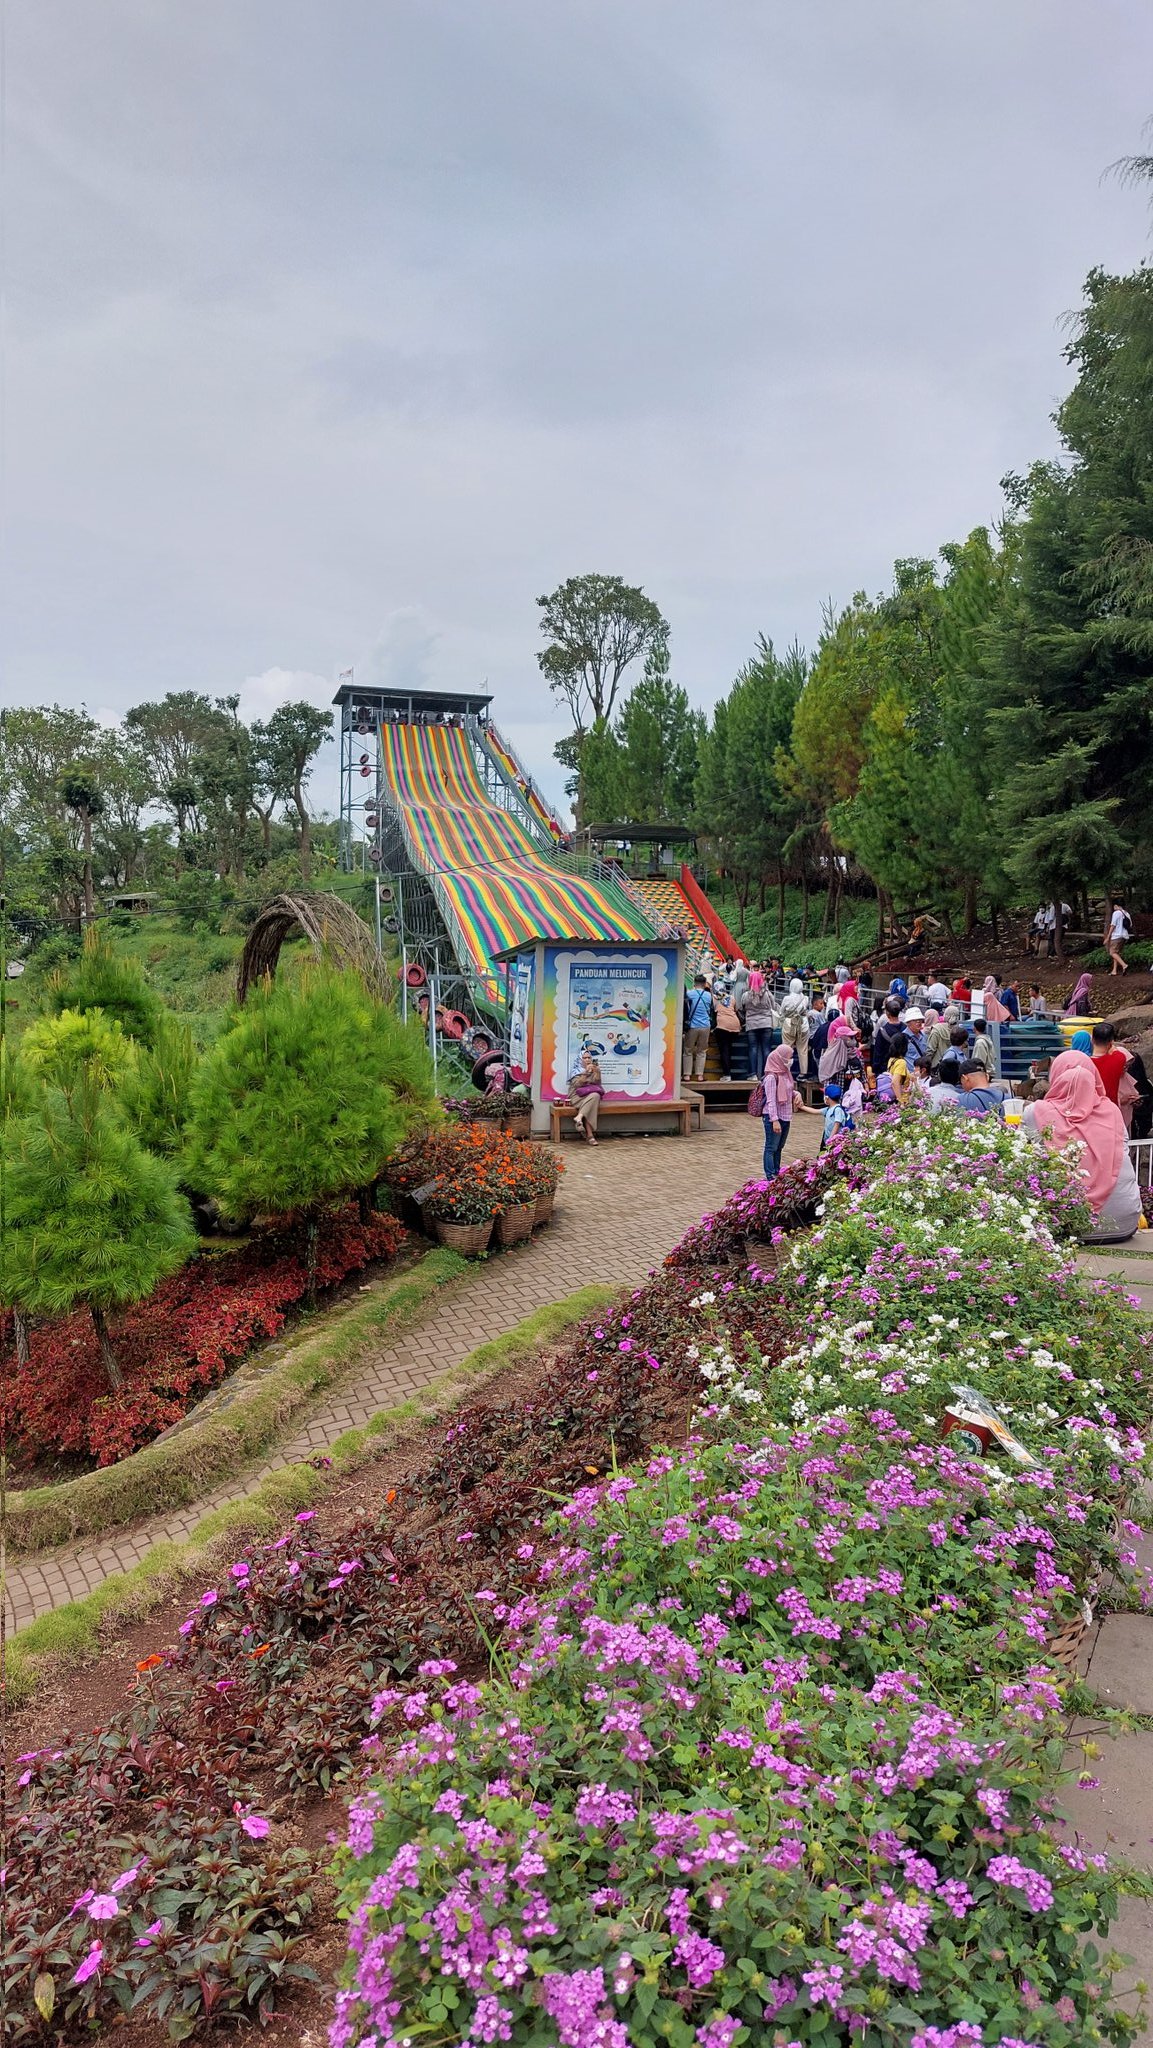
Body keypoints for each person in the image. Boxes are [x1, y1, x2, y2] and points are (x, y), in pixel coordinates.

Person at [1023, 1050, 1141, 1242]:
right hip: (1124, 1223)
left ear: (1056, 1077)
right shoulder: (1112, 1111)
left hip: (1066, 1225)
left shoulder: (1035, 1112)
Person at [759, 1043, 810, 1178]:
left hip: (786, 1115)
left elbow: (788, 1090)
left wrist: (796, 1094)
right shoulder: (771, 1077)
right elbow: (771, 1100)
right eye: (788, 1057)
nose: (790, 1060)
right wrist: (774, 1120)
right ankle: (770, 1176)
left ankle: (776, 1171)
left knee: (779, 1147)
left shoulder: (785, 1073)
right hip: (773, 1117)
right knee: (771, 1147)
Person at [742, 969, 777, 1079]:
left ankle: (752, 1074)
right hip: (766, 1024)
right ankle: (767, 1074)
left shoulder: (746, 995)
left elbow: (742, 1008)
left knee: (753, 1049)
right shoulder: (767, 994)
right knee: (766, 1049)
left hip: (751, 1025)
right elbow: (774, 1007)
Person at [568, 1049, 604, 1145]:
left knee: (595, 1095)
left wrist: (597, 1073)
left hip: (590, 1096)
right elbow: (577, 1085)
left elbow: (598, 1084)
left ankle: (579, 1118)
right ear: (580, 1059)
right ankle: (590, 1135)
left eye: (589, 1058)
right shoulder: (575, 1071)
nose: (587, 1060)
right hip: (577, 1096)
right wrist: (586, 1073)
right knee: (592, 1102)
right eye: (584, 1058)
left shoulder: (594, 1069)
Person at [683, 975, 715, 1082]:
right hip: (705, 1025)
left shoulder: (689, 994)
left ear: (694, 983)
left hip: (692, 1026)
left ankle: (687, 1075)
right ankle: (700, 1075)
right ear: (705, 984)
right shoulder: (708, 995)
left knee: (688, 1050)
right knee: (702, 1051)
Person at [1090, 1021, 1130, 1107]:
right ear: (1111, 1042)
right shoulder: (1119, 1058)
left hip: (1090, 1108)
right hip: (1111, 1108)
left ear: (1092, 1039)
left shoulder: (1085, 1062)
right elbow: (1116, 1051)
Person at [779, 977, 811, 1077]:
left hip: (789, 1024)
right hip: (803, 1025)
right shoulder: (805, 999)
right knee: (803, 1049)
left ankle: (785, 1071)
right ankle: (803, 1072)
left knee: (786, 1048)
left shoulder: (787, 999)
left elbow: (782, 1012)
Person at [818, 1013, 858, 1085]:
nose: (853, 1040)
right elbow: (827, 1080)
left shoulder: (854, 1052)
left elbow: (861, 1072)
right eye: (851, 1037)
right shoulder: (829, 1057)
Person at [870, 997, 906, 1076]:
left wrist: (875, 1069)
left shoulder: (883, 1031)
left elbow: (878, 1052)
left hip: (885, 1067)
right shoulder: (905, 1029)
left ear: (887, 1013)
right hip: (902, 1066)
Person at [713, 986, 742, 1077]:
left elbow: (713, 1012)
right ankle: (732, 1073)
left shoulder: (714, 999)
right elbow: (736, 1010)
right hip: (735, 1025)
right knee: (729, 1049)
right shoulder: (732, 998)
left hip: (722, 1026)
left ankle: (726, 1074)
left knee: (724, 1050)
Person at [1105, 897, 1132, 976]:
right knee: (1116, 953)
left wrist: (1108, 937)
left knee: (1112, 952)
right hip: (1124, 936)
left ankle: (1124, 965)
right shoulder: (1126, 913)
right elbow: (1130, 925)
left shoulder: (1116, 913)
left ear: (1116, 905)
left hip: (1116, 936)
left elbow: (1113, 925)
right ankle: (1114, 970)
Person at [820, 1081, 851, 1149]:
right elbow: (815, 1111)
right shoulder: (829, 1108)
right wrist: (801, 1106)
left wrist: (831, 1139)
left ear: (827, 1097)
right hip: (826, 1138)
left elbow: (837, 1124)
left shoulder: (837, 1109)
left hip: (834, 1140)